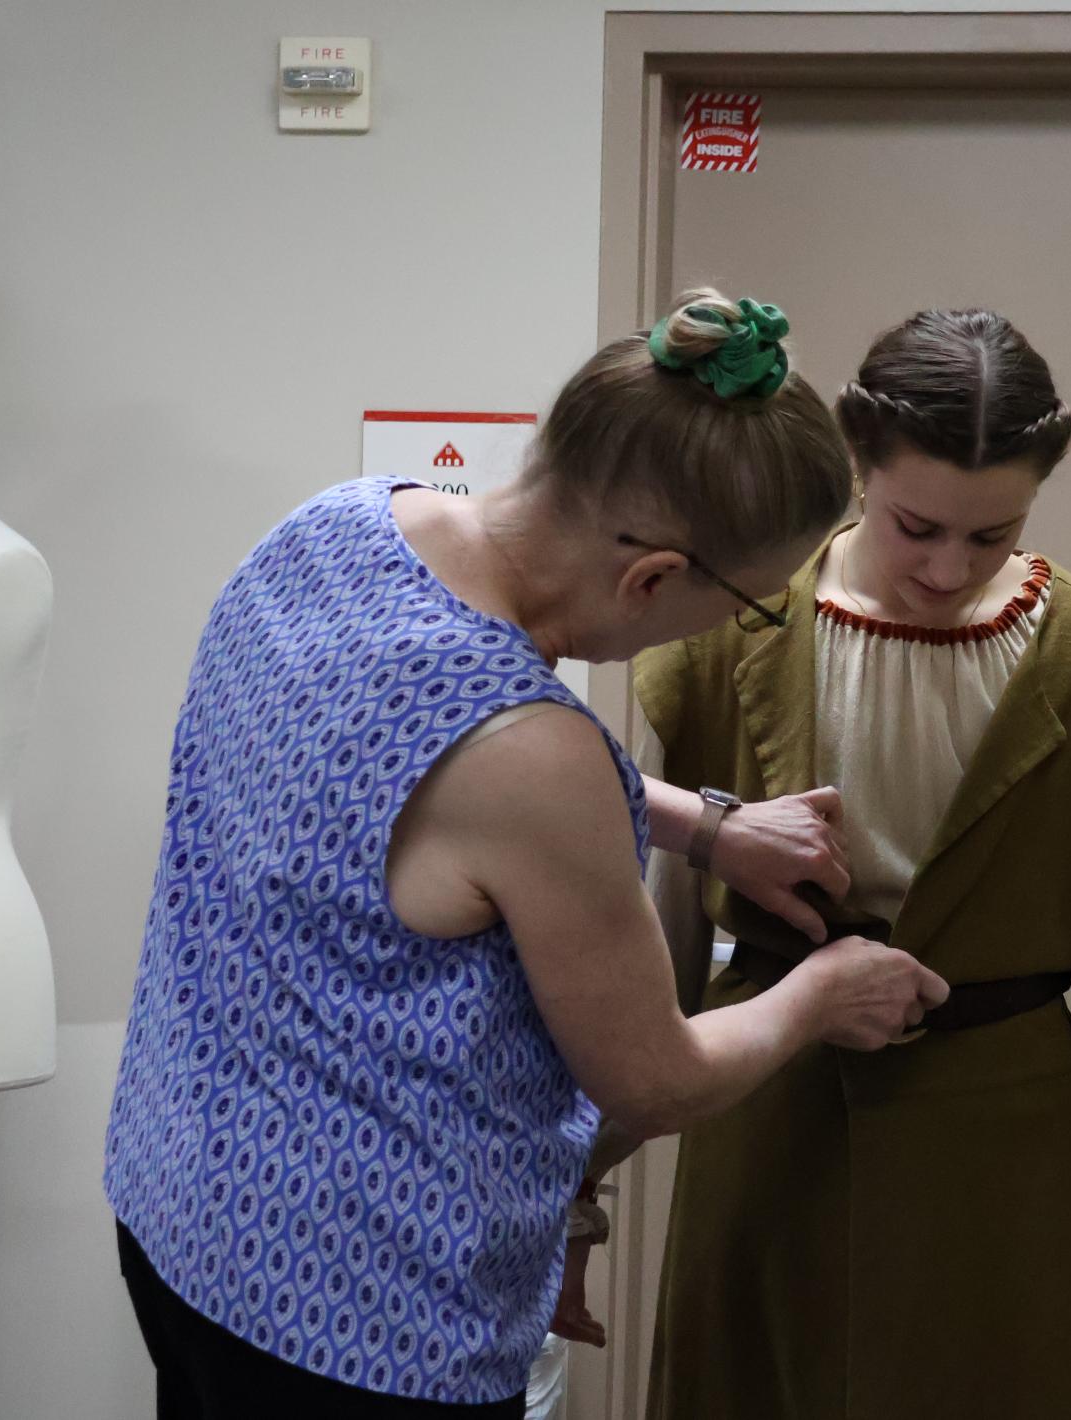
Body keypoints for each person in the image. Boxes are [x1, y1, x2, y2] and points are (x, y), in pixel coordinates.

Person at [101, 290, 949, 1418]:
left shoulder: (335, 526)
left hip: (183, 1214)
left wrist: (707, 827)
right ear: (652, 579)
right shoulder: (535, 758)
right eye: (746, 607)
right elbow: (653, 1074)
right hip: (358, 1325)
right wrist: (820, 994)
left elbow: (437, 781)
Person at [602, 308, 1071, 1420]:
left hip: (1001, 1153)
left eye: (991, 536)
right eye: (917, 526)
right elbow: (654, 942)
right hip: (771, 1126)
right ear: (856, 464)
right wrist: (581, 1178)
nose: (948, 567)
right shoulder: (732, 627)